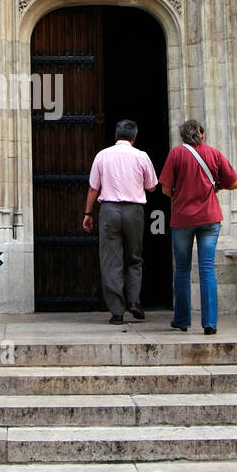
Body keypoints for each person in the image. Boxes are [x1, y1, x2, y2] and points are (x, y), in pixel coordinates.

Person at [158, 119, 237, 335]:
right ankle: (210, 323)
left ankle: (182, 320)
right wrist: (216, 186)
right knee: (207, 268)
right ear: (202, 134)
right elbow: (235, 183)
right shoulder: (214, 153)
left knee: (183, 269)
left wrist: (180, 195)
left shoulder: (176, 154)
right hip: (210, 218)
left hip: (183, 218)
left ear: (183, 136)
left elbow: (165, 189)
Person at [83, 120, 158, 324]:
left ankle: (117, 311)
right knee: (134, 257)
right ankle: (134, 302)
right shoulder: (141, 156)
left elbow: (93, 188)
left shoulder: (102, 155)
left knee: (111, 261)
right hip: (134, 211)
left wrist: (88, 213)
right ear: (134, 138)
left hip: (109, 210)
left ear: (116, 137)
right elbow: (151, 187)